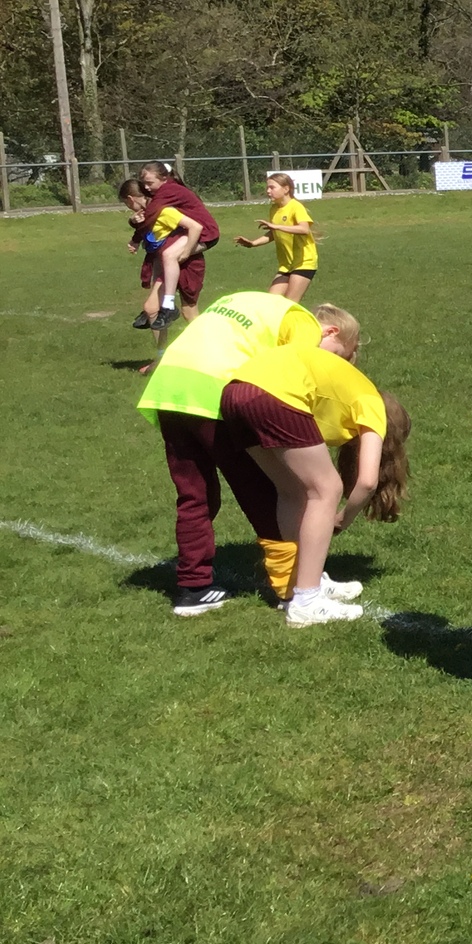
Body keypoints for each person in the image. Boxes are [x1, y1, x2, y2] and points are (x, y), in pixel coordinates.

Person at [136, 291, 360, 616]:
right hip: (213, 390)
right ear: (331, 332)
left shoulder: (249, 302)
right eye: (337, 356)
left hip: (168, 388)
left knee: (195, 494)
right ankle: (296, 587)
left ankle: (193, 588)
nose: (330, 365)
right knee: (265, 490)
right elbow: (288, 374)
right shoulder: (304, 324)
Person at [217, 341, 410, 626]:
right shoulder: (372, 404)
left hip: (234, 392)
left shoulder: (350, 392)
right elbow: (368, 481)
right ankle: (307, 600)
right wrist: (343, 518)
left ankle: (301, 584)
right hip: (275, 392)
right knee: (326, 489)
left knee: (292, 491)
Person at [133, 162, 220, 329]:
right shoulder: (168, 188)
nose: (146, 187)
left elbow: (151, 214)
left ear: (164, 178)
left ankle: (168, 306)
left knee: (169, 255)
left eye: (149, 183)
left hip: (206, 233)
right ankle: (157, 307)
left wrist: (135, 238)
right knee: (165, 257)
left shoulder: (168, 190)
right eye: (144, 183)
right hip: (196, 231)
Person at [121, 178, 206, 333]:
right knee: (152, 308)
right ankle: (162, 349)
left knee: (189, 312)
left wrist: (186, 252)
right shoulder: (148, 214)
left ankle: (211, 345)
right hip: (165, 265)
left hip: (186, 263)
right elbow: (150, 232)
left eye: (127, 204)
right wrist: (134, 225)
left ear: (130, 199)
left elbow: (195, 227)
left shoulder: (163, 211)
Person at [236, 173, 320, 301]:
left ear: (286, 189)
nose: (268, 191)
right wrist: (253, 243)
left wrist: (276, 226)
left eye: (272, 187)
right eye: (267, 188)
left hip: (304, 263)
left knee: (290, 304)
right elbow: (274, 233)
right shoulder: (274, 209)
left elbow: (304, 229)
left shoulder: (296, 207)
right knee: (271, 302)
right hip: (286, 265)